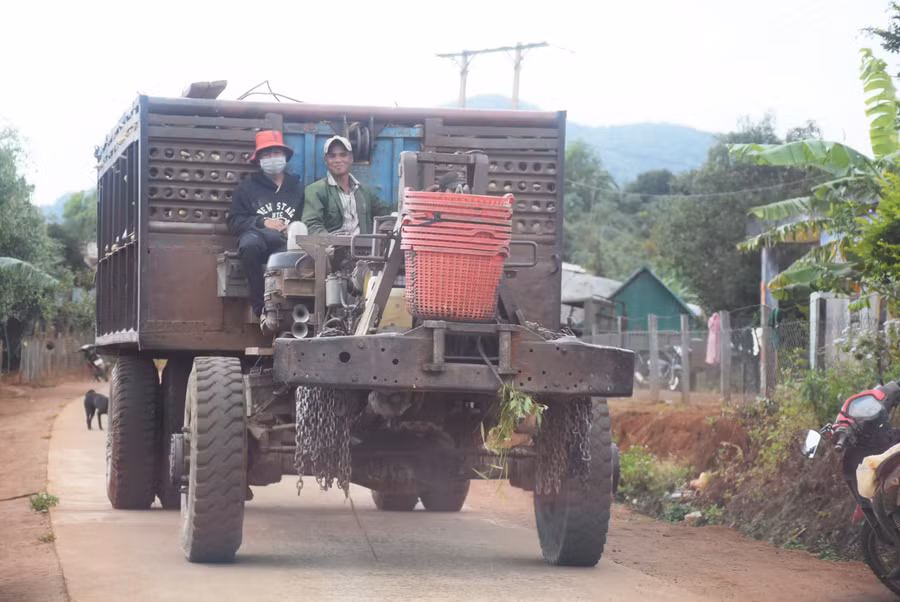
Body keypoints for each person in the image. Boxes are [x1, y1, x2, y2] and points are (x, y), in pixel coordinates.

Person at [227, 130, 304, 321]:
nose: (272, 158)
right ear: (259, 160)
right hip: (257, 238)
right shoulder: (246, 189)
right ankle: (260, 309)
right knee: (249, 245)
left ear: (285, 156)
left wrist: (293, 227)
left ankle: (291, 313)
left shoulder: (299, 188)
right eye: (267, 154)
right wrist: (263, 222)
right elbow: (234, 222)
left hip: (285, 243)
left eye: (276, 153)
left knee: (298, 256)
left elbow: (308, 220)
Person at [302, 136, 391, 235]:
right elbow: (312, 225)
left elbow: (386, 213)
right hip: (331, 244)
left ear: (351, 158)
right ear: (326, 160)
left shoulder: (364, 191)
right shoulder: (316, 190)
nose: (338, 160)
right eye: (332, 156)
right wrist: (331, 242)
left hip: (363, 244)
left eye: (343, 155)